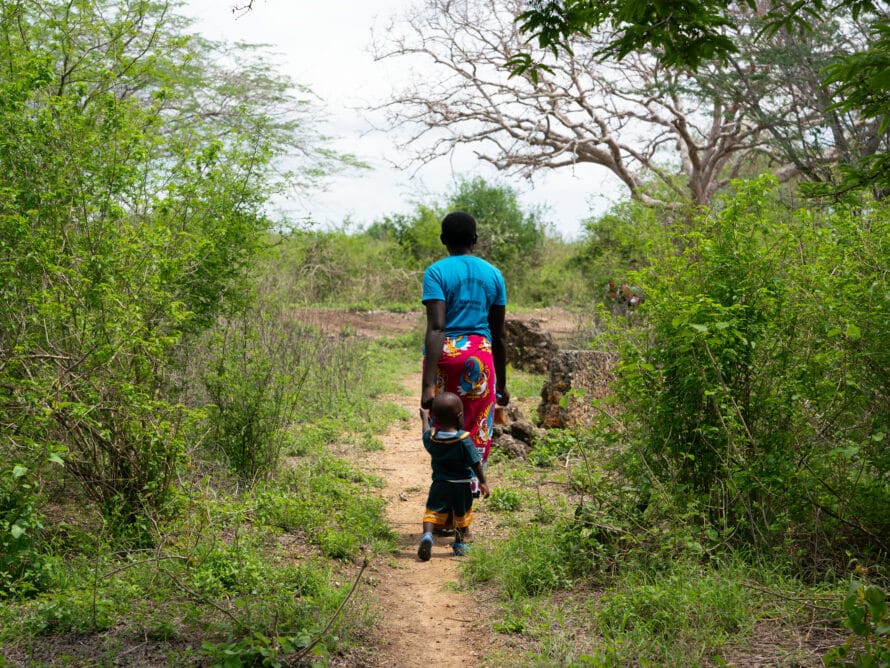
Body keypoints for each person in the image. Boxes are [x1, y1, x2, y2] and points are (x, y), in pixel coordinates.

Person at [420, 211, 509, 495]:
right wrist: (502, 385)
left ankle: (444, 492)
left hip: (445, 358)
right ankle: (466, 494)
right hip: (481, 357)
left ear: (443, 239)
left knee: (444, 426)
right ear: (475, 239)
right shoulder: (494, 275)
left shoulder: (436, 272)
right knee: (475, 427)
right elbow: (499, 335)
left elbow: (436, 328)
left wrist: (427, 385)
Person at [418, 392, 490, 561]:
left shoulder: (433, 438)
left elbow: (425, 433)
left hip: (440, 484)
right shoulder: (464, 439)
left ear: (435, 417)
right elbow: (474, 462)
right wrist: (483, 481)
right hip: (462, 485)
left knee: (432, 511)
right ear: (459, 416)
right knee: (461, 515)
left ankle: (427, 535)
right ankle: (458, 544)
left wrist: (424, 419)